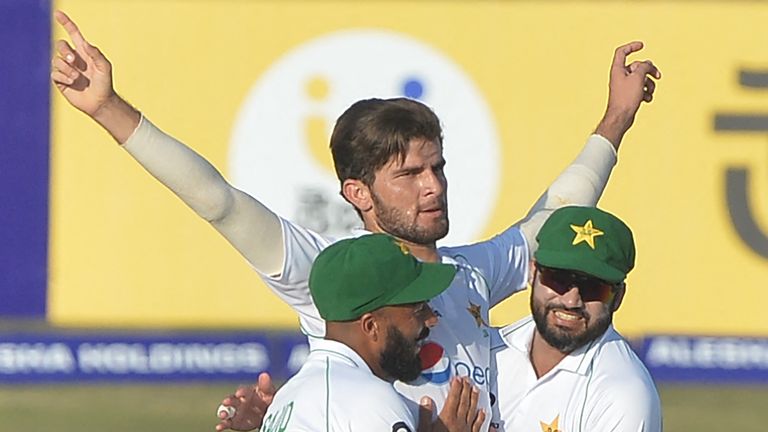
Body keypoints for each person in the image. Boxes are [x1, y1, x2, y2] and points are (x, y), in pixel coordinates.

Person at [50, 10, 661, 432]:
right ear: (357, 192)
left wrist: (615, 121)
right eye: (409, 175)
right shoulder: (328, 275)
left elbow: (548, 221)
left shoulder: (468, 274)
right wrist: (108, 109)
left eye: (438, 168)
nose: (433, 188)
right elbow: (222, 203)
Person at [258, 233, 483, 432]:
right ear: (370, 326)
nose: (432, 319)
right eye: (418, 310)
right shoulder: (369, 402)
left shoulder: (283, 402)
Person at [491, 206, 662, 432]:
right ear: (533, 272)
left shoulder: (624, 395)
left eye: (593, 287)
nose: (571, 301)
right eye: (558, 279)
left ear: (618, 296)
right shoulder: (487, 350)